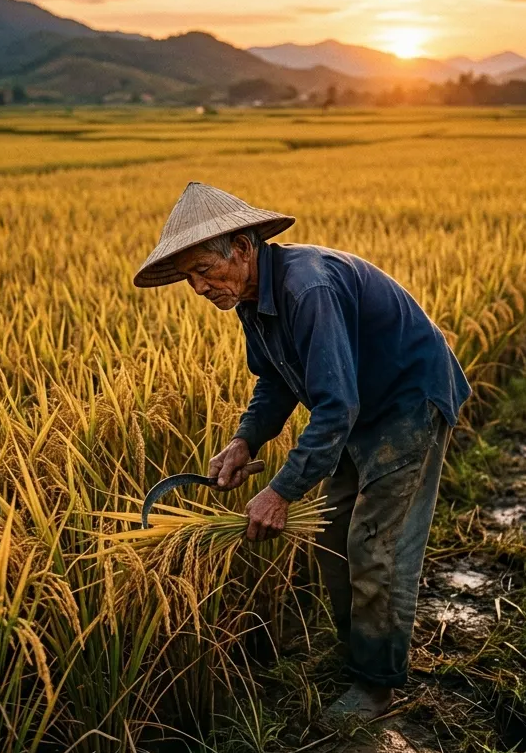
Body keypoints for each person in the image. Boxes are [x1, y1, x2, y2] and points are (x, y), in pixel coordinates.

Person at [134, 182, 471, 719]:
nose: (198, 287)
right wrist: (245, 441)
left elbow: (336, 406)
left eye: (203, 270)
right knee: (333, 537)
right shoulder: (250, 298)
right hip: (362, 407)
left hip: (406, 401)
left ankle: (376, 686)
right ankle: (358, 657)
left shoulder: (306, 288)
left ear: (242, 248)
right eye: (188, 278)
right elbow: (276, 381)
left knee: (374, 545)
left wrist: (281, 491)